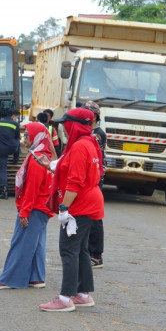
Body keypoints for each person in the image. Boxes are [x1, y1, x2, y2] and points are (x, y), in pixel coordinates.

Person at [38, 108, 104, 312]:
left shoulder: (78, 147)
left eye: (65, 124)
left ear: (74, 125)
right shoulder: (90, 142)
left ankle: (66, 298)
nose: (63, 128)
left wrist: (64, 207)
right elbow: (75, 171)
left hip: (79, 204)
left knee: (68, 250)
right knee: (81, 249)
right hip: (90, 201)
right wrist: (50, 166)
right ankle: (83, 294)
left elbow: (75, 182)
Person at [0, 122, 54, 289]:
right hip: (43, 207)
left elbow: (32, 188)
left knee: (21, 243)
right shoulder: (45, 155)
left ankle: (10, 278)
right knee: (37, 243)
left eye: (27, 135)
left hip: (35, 207)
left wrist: (25, 211)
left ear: (37, 137)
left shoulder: (38, 158)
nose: (24, 139)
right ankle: (36, 277)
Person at [83, 100, 107, 269]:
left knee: (94, 218)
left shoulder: (97, 134)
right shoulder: (89, 132)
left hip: (94, 177)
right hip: (88, 177)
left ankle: (96, 255)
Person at [0, 108, 21, 199]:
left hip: (1, 149)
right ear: (13, 116)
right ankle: (15, 159)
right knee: (17, 141)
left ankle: (4, 191)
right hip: (12, 148)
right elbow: (17, 136)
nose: (16, 119)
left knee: (2, 170)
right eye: (16, 117)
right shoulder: (15, 124)